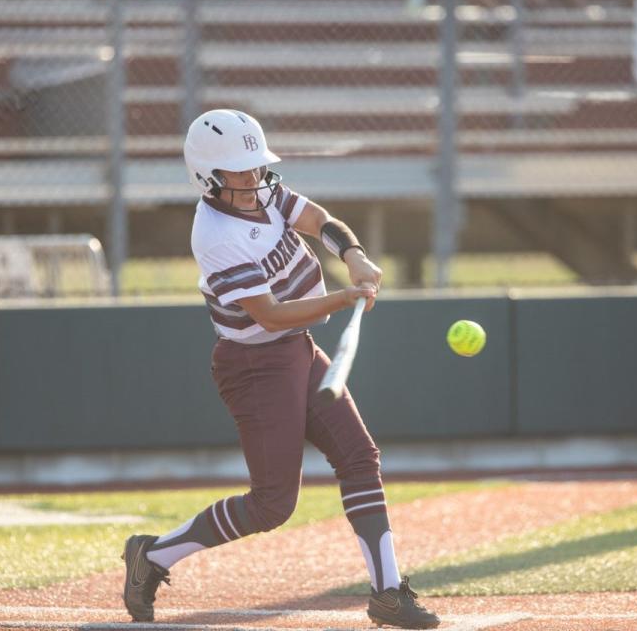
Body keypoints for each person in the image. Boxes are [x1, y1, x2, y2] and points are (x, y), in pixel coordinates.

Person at [119, 109, 440, 630]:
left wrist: (353, 254)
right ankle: (154, 556)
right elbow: (268, 313)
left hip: (296, 349)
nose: (253, 179)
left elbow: (319, 221)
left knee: (359, 457)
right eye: (240, 173)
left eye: (255, 168)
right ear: (208, 178)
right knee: (272, 505)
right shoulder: (215, 234)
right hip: (255, 365)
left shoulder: (263, 194)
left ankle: (387, 594)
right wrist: (342, 297)